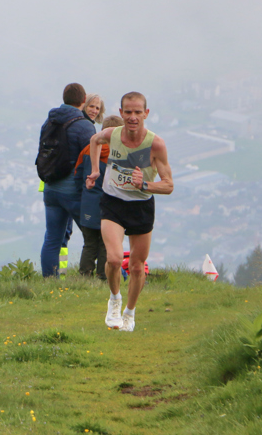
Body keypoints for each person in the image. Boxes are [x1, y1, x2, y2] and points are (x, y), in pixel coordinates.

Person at [87, 92, 173, 331]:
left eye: (137, 112)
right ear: (121, 113)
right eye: (128, 112)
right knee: (114, 259)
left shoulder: (156, 144)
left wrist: (144, 184)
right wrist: (95, 170)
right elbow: (94, 140)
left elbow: (168, 185)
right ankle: (114, 300)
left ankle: (130, 313)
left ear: (146, 114)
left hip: (141, 206)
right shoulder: (112, 135)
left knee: (136, 266)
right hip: (113, 202)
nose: (133, 117)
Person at [38, 83, 97, 277]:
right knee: (95, 236)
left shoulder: (49, 122)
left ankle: (49, 282)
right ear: (83, 100)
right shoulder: (84, 125)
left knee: (52, 239)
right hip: (73, 192)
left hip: (50, 189)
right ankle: (105, 277)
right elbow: (92, 158)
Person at [73, 115, 124, 280]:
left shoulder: (88, 150)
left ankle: (84, 276)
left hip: (87, 204)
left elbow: (77, 175)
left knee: (89, 244)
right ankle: (103, 276)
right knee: (105, 245)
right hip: (108, 207)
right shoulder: (119, 155)